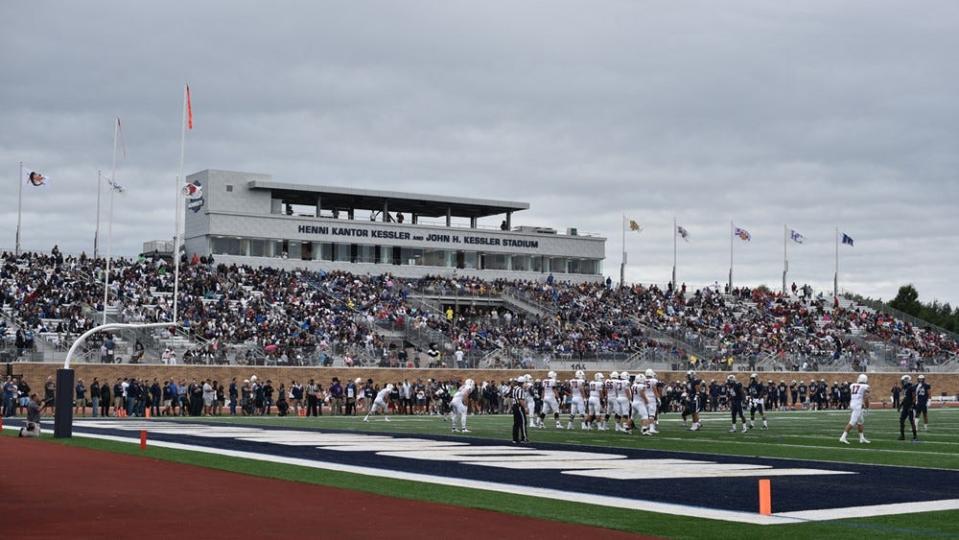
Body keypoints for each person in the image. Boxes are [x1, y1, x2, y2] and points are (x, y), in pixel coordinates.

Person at [840, 373, 870, 445]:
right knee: (852, 422)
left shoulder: (852, 385)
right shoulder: (865, 386)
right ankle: (843, 437)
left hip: (853, 404)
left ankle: (861, 438)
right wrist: (867, 406)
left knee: (860, 421)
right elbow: (866, 397)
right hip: (857, 406)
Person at [898, 375, 918, 441]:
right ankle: (902, 436)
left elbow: (914, 397)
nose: (902, 382)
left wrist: (912, 406)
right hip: (905, 406)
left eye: (903, 381)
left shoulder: (911, 387)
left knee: (911, 421)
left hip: (910, 406)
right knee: (901, 420)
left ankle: (915, 436)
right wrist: (901, 405)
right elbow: (905, 398)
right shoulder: (905, 388)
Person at [510, 378, 528, 444]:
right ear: (522, 383)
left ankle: (515, 438)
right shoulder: (520, 389)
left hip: (515, 406)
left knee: (516, 423)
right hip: (519, 407)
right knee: (523, 422)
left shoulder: (515, 388)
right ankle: (524, 438)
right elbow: (521, 400)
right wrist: (525, 408)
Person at [644, 369, 660, 433]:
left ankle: (646, 427)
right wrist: (658, 398)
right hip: (651, 398)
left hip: (645, 398)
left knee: (647, 414)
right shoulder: (654, 380)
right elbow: (655, 390)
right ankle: (651, 428)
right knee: (652, 414)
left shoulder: (643, 380)